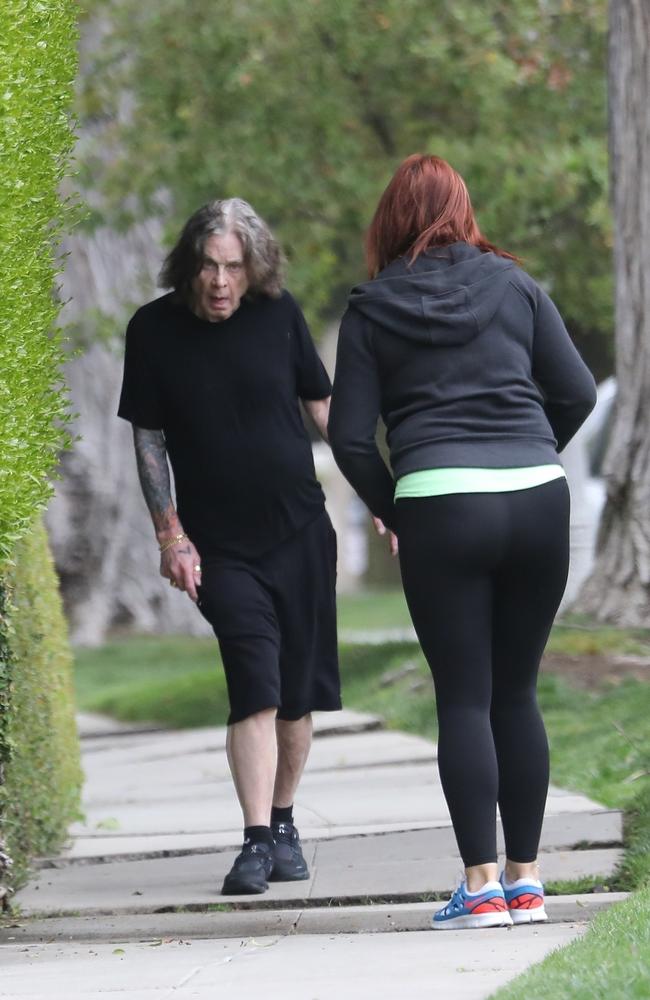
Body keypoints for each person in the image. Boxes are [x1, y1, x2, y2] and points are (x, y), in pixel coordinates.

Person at [328, 154, 597, 930]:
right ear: (462, 209)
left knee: (466, 698)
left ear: (389, 219)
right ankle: (528, 882)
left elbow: (350, 440)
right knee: (517, 691)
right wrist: (530, 450)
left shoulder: (372, 309)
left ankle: (480, 887)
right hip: (538, 501)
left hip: (443, 505)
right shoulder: (515, 285)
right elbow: (576, 389)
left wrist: (398, 508)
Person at [118, 198, 341, 895]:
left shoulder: (280, 316)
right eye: (209, 267)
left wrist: (385, 493)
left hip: (301, 532)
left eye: (234, 268)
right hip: (219, 548)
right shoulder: (153, 331)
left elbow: (322, 408)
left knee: (298, 698)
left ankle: (282, 822)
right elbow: (149, 438)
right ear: (190, 265)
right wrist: (171, 536)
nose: (220, 282)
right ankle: (252, 841)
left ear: (255, 268)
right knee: (255, 682)